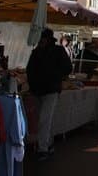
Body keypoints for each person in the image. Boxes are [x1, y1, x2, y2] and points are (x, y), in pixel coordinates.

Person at [26, 28, 73, 160]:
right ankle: (48, 143)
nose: (40, 41)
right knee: (45, 119)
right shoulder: (37, 52)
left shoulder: (56, 51)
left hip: (49, 90)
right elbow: (29, 69)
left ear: (47, 39)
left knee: (44, 119)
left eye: (42, 39)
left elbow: (67, 68)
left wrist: (55, 77)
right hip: (40, 90)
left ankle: (43, 148)